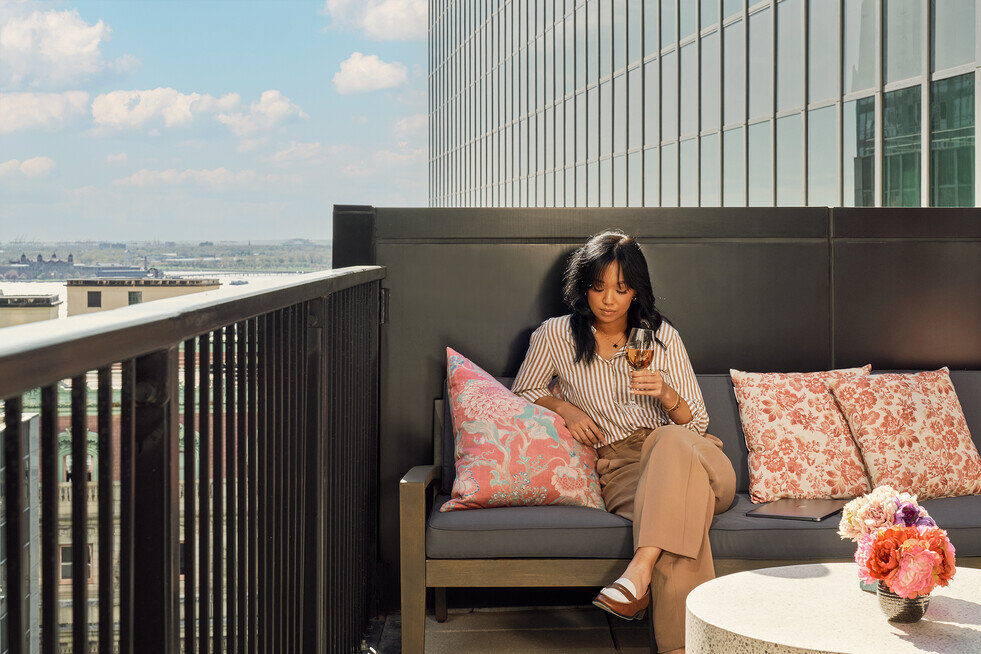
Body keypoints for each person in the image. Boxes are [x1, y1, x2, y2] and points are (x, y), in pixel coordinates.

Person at [510, 230, 736, 654]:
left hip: (697, 457)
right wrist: (566, 409)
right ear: (583, 288)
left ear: (636, 291)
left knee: (669, 440)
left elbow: (697, 423)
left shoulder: (660, 337)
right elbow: (523, 392)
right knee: (675, 533)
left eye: (621, 288)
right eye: (598, 287)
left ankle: (638, 568)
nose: (608, 299)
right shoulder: (555, 336)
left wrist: (667, 395)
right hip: (624, 469)